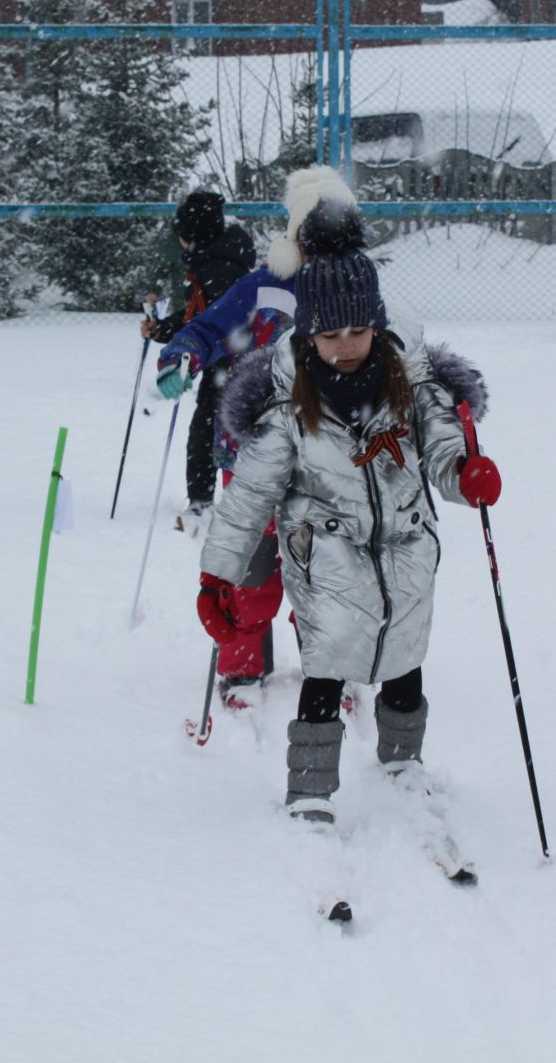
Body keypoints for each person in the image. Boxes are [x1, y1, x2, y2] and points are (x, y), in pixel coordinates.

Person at [195, 185, 501, 825]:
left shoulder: (410, 388)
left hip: (406, 551)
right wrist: (218, 573)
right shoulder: (288, 408)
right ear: (308, 334)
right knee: (326, 672)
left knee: (405, 660)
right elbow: (250, 494)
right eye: (329, 333)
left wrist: (465, 473)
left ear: (378, 326)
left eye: (359, 330)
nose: (345, 345)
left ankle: (402, 761)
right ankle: (310, 791)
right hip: (326, 558)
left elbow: (443, 443)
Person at [151, 167, 341, 706]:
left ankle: (330, 667)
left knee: (325, 568)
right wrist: (183, 351)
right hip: (254, 445)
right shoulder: (265, 285)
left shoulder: (353, 288)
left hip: (327, 451)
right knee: (253, 563)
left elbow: (393, 351)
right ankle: (241, 664)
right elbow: (210, 327)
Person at [142, 190, 256, 533]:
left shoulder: (216, 269)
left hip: (230, 362)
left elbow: (212, 319)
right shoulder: (218, 259)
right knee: (215, 427)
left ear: (193, 234)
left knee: (210, 428)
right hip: (227, 359)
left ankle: (205, 502)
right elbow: (199, 315)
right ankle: (215, 498)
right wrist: (164, 329)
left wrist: (182, 342)